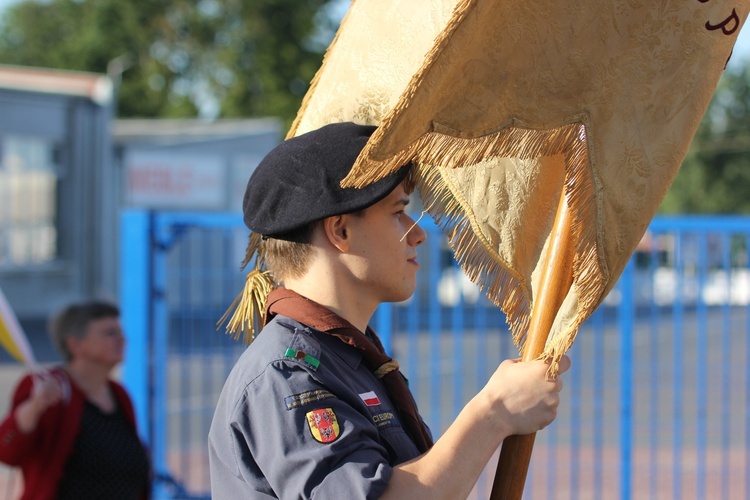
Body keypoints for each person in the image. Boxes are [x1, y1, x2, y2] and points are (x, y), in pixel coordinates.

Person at [208, 122, 570, 499]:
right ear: (341, 231)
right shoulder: (289, 375)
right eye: (398, 212)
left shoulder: (345, 358)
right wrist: (494, 412)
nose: (417, 233)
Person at [0, 300, 150, 500]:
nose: (122, 340)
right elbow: (7, 451)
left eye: (120, 332)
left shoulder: (119, 394)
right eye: (110, 333)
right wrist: (34, 407)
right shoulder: (45, 386)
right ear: (75, 345)